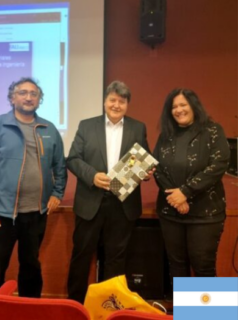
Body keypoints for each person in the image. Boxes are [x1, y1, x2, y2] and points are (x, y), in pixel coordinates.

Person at [0, 77, 67, 297]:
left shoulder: (49, 129)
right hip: (2, 214)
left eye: (34, 93)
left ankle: (29, 311)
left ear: (39, 99)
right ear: (12, 97)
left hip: (37, 213)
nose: (28, 97)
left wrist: (58, 193)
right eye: (22, 92)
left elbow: (60, 166)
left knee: (31, 266)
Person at [66, 80, 151, 303]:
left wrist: (145, 170)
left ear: (127, 105)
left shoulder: (138, 127)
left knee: (116, 259)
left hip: (123, 204)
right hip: (90, 202)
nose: (116, 105)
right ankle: (74, 305)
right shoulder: (86, 125)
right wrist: (91, 176)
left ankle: (109, 307)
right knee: (82, 256)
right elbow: (73, 159)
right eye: (112, 100)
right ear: (104, 102)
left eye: (121, 101)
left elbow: (145, 158)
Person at [153, 88, 230, 278]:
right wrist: (177, 198)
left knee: (204, 266)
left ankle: (210, 310)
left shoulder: (213, 130)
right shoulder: (166, 135)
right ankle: (184, 309)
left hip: (206, 213)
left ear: (193, 106)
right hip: (170, 211)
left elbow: (218, 166)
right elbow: (157, 169)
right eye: (174, 107)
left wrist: (185, 192)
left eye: (183, 105)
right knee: (177, 266)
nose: (178, 110)